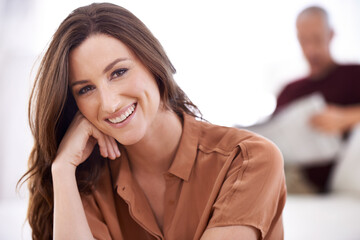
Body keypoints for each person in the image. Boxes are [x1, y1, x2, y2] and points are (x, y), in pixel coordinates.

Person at [19, 3, 286, 240]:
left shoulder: (248, 159)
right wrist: (62, 170)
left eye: (119, 72)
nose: (109, 103)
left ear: (153, 62)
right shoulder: (87, 180)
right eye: (86, 89)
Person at [275, 6, 360, 193]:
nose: (311, 50)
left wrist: (345, 118)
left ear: (331, 35)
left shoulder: (355, 75)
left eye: (317, 39)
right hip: (290, 176)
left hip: (339, 179)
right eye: (304, 41)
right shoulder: (289, 90)